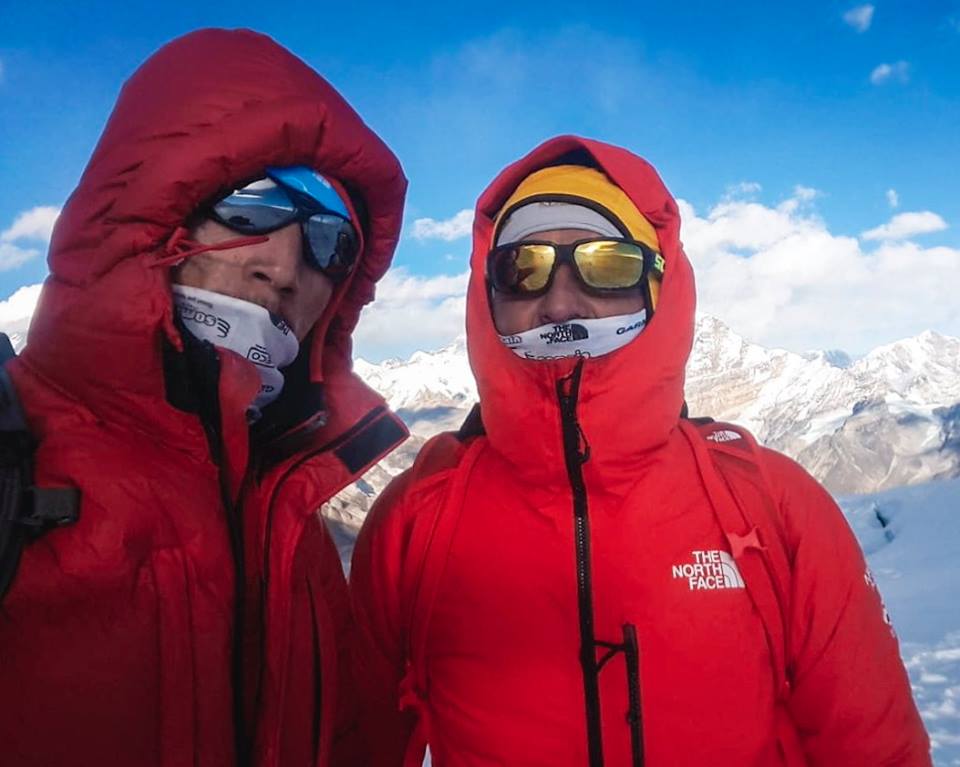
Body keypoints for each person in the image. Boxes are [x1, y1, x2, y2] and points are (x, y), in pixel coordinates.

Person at [350, 136, 931, 766]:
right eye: (522, 268)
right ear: (487, 296)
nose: (561, 301)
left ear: (660, 285)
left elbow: (873, 747)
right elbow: (356, 744)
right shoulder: (418, 519)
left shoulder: (772, 504)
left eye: (608, 264)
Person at [0, 29, 408, 767]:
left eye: (329, 242)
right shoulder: (13, 463)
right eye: (251, 208)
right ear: (155, 216)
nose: (284, 267)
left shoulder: (294, 527)